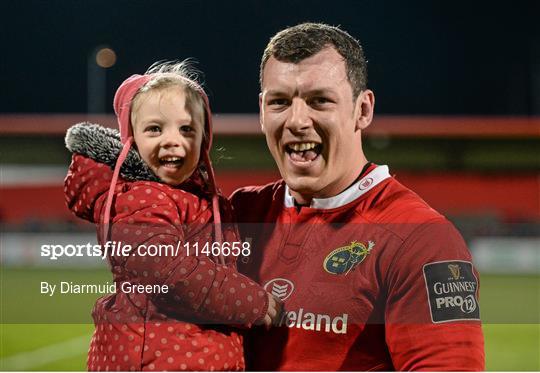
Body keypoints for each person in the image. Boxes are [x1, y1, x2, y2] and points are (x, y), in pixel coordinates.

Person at [231, 23, 485, 371]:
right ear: (262, 111)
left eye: (319, 100)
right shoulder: (238, 216)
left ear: (362, 110)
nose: (297, 120)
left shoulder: (423, 239)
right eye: (279, 102)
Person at [64, 61, 280, 371]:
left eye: (187, 129)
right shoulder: (140, 198)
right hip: (156, 361)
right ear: (132, 139)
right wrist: (251, 302)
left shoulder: (200, 200)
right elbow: (166, 271)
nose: (172, 139)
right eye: (154, 128)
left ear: (204, 138)